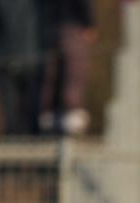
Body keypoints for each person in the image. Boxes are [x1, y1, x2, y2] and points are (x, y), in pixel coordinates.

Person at [39, 0, 96, 135]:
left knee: (52, 74)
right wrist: (89, 23)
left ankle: (49, 115)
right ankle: (71, 116)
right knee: (74, 72)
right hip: (72, 26)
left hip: (49, 27)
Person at [0, 0, 42, 135]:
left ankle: (31, 149)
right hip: (8, 63)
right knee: (10, 114)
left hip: (32, 62)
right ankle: (12, 150)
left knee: (31, 113)